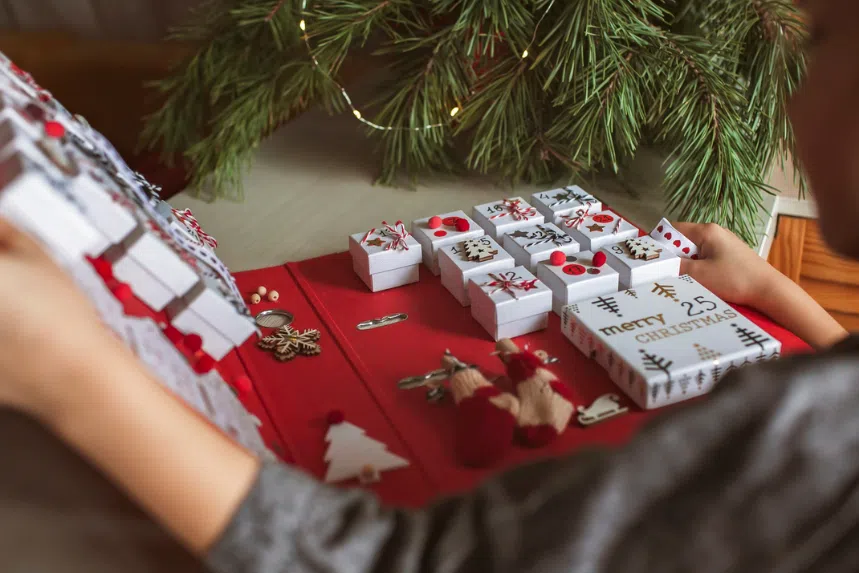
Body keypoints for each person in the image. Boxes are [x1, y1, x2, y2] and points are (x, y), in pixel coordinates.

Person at [1, 0, 858, 571]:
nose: (789, 97)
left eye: (819, 38)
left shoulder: (803, 447)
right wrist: (775, 293)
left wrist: (72, 375)